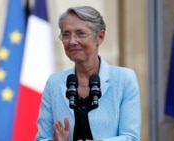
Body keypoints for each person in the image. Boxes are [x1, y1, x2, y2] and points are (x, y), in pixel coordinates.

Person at [35, 6, 141, 141]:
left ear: (100, 37)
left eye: (80, 33)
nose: (72, 41)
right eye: (66, 34)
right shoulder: (54, 83)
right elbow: (42, 138)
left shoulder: (124, 79)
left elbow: (131, 138)